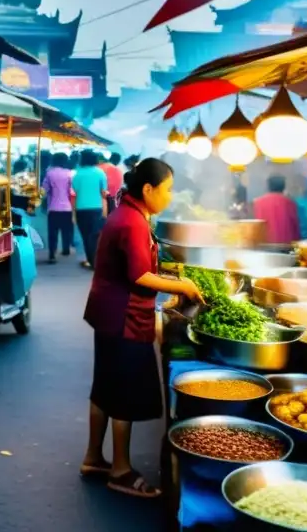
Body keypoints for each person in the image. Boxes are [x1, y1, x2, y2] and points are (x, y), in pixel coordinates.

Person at [80, 158, 203, 498]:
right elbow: (139, 276)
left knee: (104, 385)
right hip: (123, 315)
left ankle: (94, 457)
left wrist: (173, 279)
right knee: (122, 390)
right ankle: (119, 470)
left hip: (108, 312)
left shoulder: (130, 212)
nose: (170, 196)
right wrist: (183, 286)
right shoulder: (131, 221)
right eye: (167, 189)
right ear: (148, 189)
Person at [73, 150, 108, 269]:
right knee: (95, 236)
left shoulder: (77, 174)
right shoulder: (100, 173)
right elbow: (104, 193)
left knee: (85, 236)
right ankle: (95, 262)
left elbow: (74, 194)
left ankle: (90, 260)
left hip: (81, 209)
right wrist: (105, 210)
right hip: (97, 208)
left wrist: (73, 214)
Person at [41, 152, 74, 263]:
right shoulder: (69, 173)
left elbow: (44, 190)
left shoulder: (49, 173)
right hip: (67, 208)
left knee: (52, 233)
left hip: (53, 208)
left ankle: (52, 254)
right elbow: (72, 191)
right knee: (67, 230)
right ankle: (66, 249)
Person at [253, 174, 301, 246]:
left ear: (268, 186)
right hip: (286, 246)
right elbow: (295, 227)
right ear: (283, 187)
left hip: (264, 245)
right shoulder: (289, 203)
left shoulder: (258, 203)